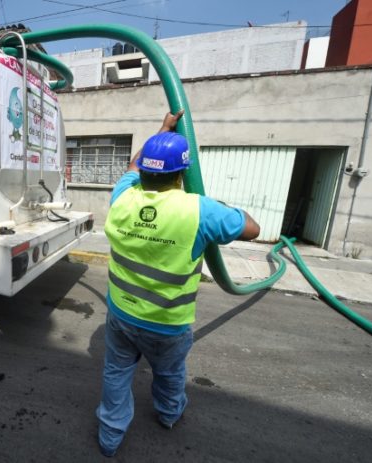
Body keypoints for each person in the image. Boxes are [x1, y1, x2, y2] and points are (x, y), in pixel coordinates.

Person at [96, 110, 260, 457]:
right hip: (167, 325)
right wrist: (224, 206)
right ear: (183, 172)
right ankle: (169, 415)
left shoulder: (122, 197)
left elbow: (132, 166)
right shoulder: (199, 210)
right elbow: (252, 228)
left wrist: (162, 129)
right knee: (169, 375)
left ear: (147, 170)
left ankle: (109, 436)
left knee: (116, 373)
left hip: (121, 315)